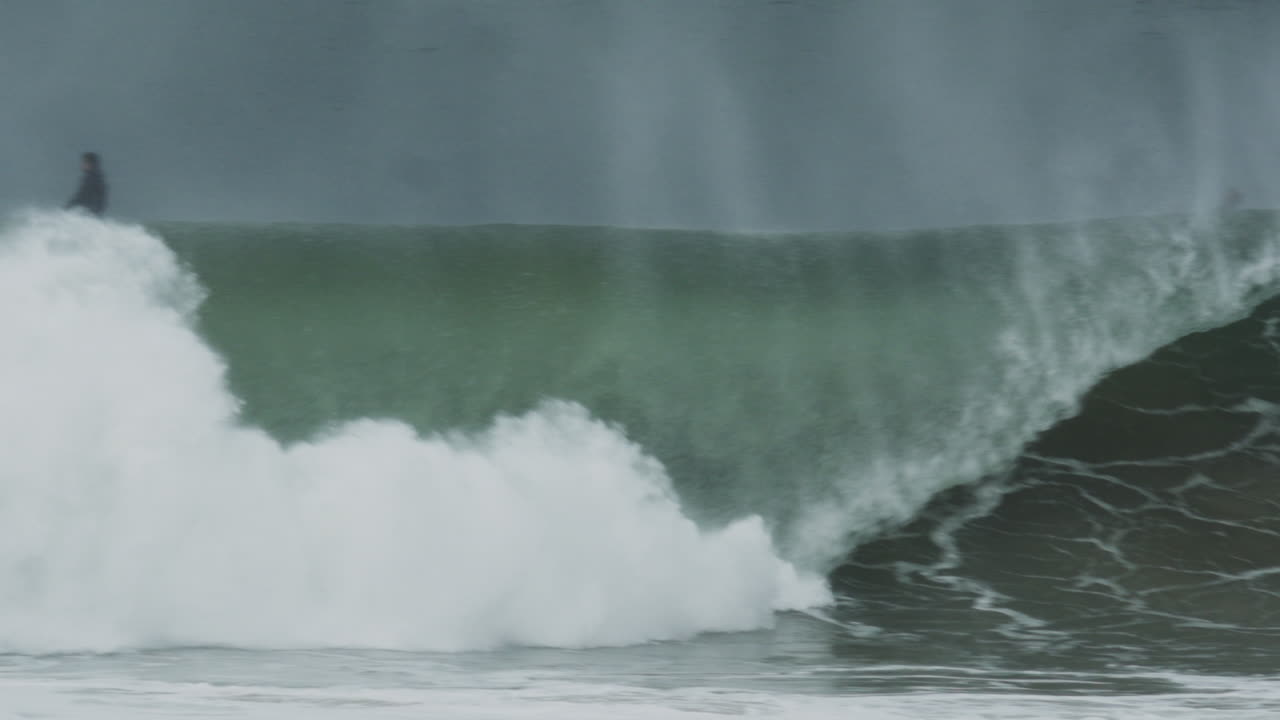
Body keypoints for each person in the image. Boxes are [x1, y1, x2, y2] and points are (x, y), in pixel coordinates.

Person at [66, 152, 108, 216]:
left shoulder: (92, 178)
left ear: (91, 164)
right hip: (94, 211)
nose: (82, 165)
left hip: (89, 211)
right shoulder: (98, 176)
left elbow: (82, 195)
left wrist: (68, 206)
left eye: (84, 162)